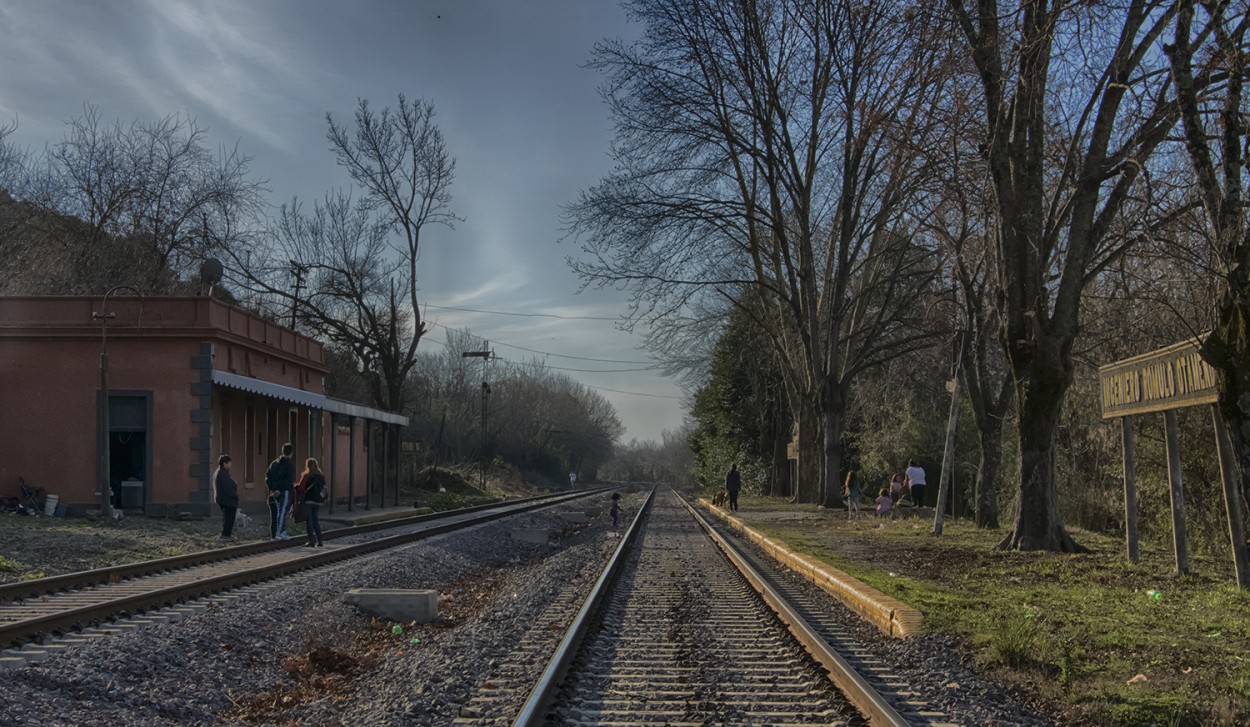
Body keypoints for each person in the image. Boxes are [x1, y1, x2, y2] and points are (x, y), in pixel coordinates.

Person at [265, 443, 296, 540]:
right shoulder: (290, 465)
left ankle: (282, 531)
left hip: (275, 491)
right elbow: (289, 480)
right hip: (284, 490)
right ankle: (279, 532)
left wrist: (272, 489)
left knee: (280, 511)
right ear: (291, 453)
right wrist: (279, 489)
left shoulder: (274, 463)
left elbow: (267, 477)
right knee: (282, 511)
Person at [296, 457, 327, 547]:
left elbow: (301, 488)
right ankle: (320, 541)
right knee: (315, 520)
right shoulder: (321, 476)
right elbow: (324, 487)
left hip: (308, 501)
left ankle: (311, 541)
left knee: (309, 521)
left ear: (307, 465)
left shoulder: (306, 475)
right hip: (318, 501)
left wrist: (295, 487)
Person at [214, 454, 239, 540]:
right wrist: (234, 495)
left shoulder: (224, 472)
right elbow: (227, 487)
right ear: (224, 463)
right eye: (229, 463)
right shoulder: (222, 473)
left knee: (228, 518)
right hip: (227, 500)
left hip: (227, 500)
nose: (230, 464)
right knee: (229, 518)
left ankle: (227, 534)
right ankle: (225, 535)